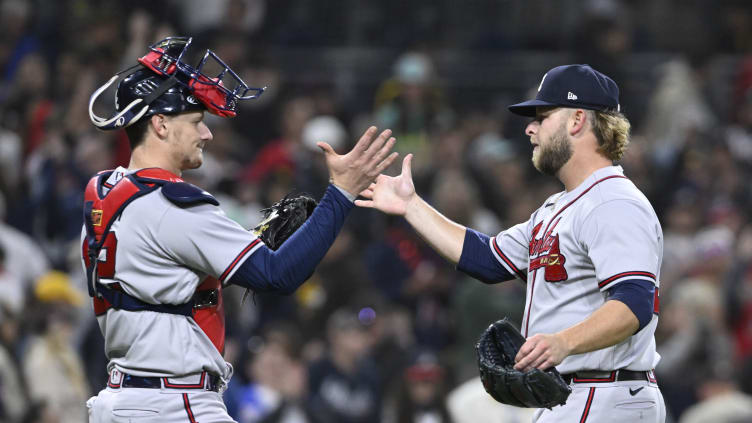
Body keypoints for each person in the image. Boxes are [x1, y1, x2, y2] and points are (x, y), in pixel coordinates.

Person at [82, 37, 397, 423]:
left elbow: (166, 274)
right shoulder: (173, 204)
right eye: (196, 122)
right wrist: (342, 194)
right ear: (160, 124)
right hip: (173, 404)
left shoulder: (104, 189)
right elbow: (277, 275)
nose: (207, 134)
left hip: (123, 397)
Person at [358, 64, 666, 422]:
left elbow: (634, 304)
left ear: (577, 120)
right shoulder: (560, 206)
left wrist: (563, 341)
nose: (530, 128)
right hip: (574, 394)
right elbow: (488, 260)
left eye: (543, 116)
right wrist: (411, 207)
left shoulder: (613, 202)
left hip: (607, 393)